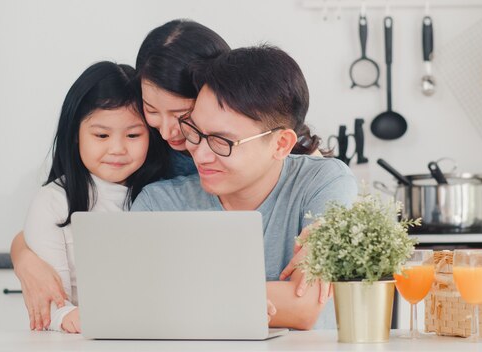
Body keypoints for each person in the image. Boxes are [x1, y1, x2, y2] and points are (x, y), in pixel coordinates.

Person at [130, 45, 358, 329]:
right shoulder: (159, 204)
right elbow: (130, 303)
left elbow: (303, 306)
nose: (199, 154)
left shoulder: (324, 183)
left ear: (281, 144)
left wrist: (184, 298)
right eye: (195, 131)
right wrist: (234, 301)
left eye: (222, 142)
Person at [22, 61, 167, 333]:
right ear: (76, 134)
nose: (117, 149)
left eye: (134, 135)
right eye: (101, 135)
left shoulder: (162, 195)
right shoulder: (53, 202)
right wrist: (73, 317)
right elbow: (52, 303)